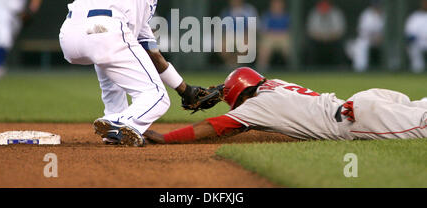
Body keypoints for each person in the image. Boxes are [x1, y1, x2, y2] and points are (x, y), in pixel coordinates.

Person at [59, 0, 203, 147]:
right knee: (157, 97)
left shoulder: (134, 2)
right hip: (106, 28)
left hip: (70, 36)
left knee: (111, 70)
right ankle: (120, 123)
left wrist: (185, 89)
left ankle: (113, 126)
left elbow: (153, 54)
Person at [145, 67, 427, 144]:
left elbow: (214, 126)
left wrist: (165, 137)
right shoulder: (275, 83)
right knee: (419, 107)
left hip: (361, 118)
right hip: (367, 99)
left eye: (233, 100)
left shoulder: (256, 106)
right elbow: (249, 83)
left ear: (242, 97)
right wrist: (227, 89)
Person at [218, 0, 258, 67]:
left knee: (246, 43)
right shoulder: (226, 12)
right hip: (230, 35)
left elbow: (253, 27)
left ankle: (238, 65)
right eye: (233, 0)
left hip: (244, 35)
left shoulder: (249, 11)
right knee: (221, 45)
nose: (235, 2)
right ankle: (231, 64)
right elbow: (222, 29)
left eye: (237, 0)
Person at [306, 0, 346, 66]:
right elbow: (311, 31)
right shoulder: (314, 13)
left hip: (333, 40)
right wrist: (322, 37)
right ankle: (311, 67)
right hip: (318, 40)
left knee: (340, 44)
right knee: (310, 44)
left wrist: (328, 37)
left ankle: (339, 67)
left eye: (326, 8)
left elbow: (340, 31)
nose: (324, 10)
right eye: (322, 8)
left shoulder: (335, 13)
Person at [349, 0, 385, 72]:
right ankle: (360, 69)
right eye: (376, 5)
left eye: (379, 5)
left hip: (383, 40)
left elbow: (390, 31)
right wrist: (373, 38)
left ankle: (393, 68)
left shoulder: (386, 15)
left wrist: (381, 38)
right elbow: (362, 32)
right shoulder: (366, 15)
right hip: (368, 40)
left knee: (394, 44)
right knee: (360, 44)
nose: (377, 7)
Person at [257, 0, 290, 71]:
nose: (277, 6)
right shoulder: (267, 16)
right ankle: (261, 69)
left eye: (279, 4)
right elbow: (263, 30)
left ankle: (292, 68)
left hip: (284, 37)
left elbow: (290, 30)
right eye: (275, 4)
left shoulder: (287, 16)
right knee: (264, 47)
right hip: (270, 37)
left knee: (287, 47)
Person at [405, 0, 427, 73]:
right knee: (413, 47)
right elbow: (410, 33)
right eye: (424, 3)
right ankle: (418, 70)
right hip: (419, 42)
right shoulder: (415, 16)